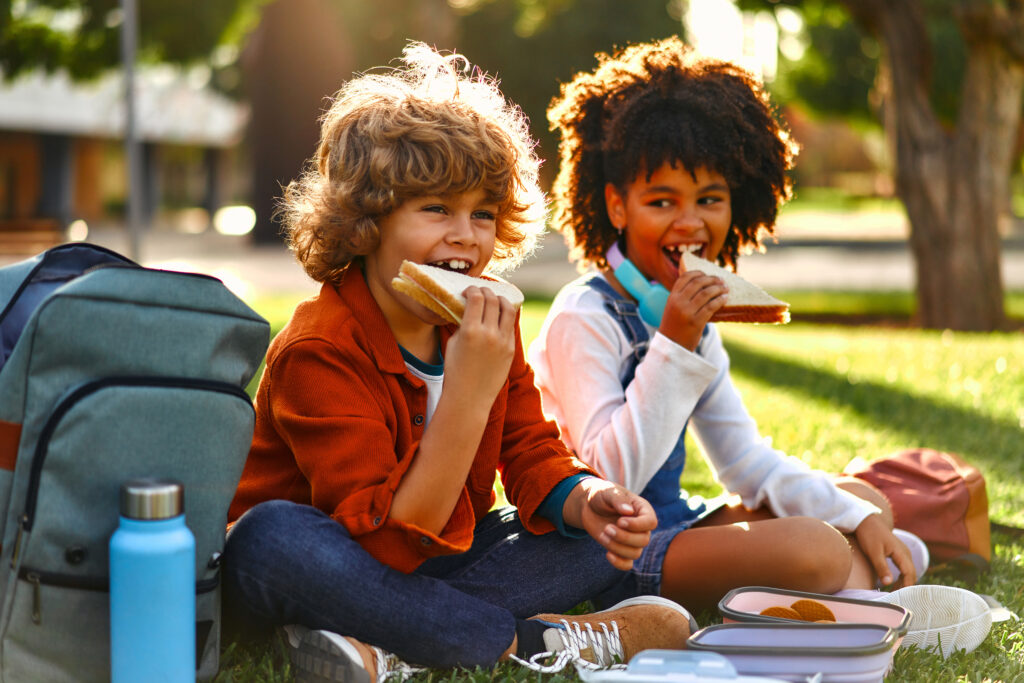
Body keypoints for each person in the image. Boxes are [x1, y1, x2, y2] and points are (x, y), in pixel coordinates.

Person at [222, 42, 695, 682]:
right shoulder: (320, 349)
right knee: (268, 539)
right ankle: (527, 642)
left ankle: (386, 647)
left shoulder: (484, 321)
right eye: (436, 208)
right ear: (367, 222)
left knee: (591, 546)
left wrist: (586, 497)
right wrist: (469, 392)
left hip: (434, 559)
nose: (465, 235)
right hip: (335, 559)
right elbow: (386, 542)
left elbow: (530, 448)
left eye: (483, 214)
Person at [528, 36, 927, 614]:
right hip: (602, 553)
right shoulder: (582, 316)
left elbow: (745, 463)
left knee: (858, 499)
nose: (690, 223)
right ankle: (859, 576)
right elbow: (610, 478)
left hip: (678, 525)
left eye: (710, 199)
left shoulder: (693, 316)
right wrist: (676, 342)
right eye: (661, 202)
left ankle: (863, 569)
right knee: (817, 548)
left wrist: (859, 513)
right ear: (616, 206)